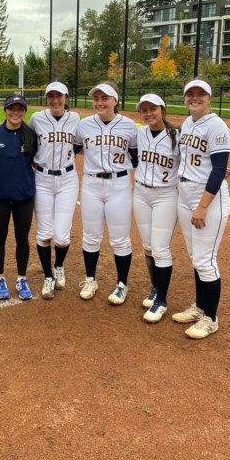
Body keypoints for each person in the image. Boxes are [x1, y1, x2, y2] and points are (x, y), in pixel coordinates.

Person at [172, 79, 230, 339]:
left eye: (200, 94)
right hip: (185, 194)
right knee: (195, 255)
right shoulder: (188, 123)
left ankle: (211, 318)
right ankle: (199, 307)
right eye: (190, 94)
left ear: (209, 97)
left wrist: (203, 206)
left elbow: (219, 168)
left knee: (206, 260)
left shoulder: (217, 125)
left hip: (206, 198)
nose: (195, 98)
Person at [74, 81, 138, 303]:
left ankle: (122, 284)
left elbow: (138, 157)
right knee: (90, 236)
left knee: (120, 239)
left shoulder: (129, 126)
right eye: (96, 99)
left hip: (119, 185)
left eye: (104, 98)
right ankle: (91, 278)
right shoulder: (84, 126)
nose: (99, 103)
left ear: (115, 101)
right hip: (91, 184)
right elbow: (72, 149)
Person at [29, 81, 80, 299]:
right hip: (42, 178)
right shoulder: (37, 119)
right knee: (44, 233)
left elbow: (79, 144)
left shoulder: (76, 119)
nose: (55, 100)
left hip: (68, 178)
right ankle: (48, 276)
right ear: (46, 98)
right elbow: (28, 143)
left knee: (61, 236)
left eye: (59, 96)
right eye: (51, 96)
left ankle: (59, 265)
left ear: (66, 97)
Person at [132, 94, 181, 323]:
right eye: (145, 110)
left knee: (161, 248)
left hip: (166, 195)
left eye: (153, 109)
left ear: (162, 110)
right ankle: (154, 288)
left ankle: (161, 300)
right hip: (141, 193)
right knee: (148, 246)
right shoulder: (139, 133)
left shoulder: (176, 136)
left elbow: (193, 159)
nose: (149, 113)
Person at [0, 95, 38, 300]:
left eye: (20, 108)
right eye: (11, 108)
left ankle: (21, 277)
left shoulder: (31, 135)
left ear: (25, 111)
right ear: (5, 110)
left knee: (22, 239)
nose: (15, 112)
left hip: (24, 195)